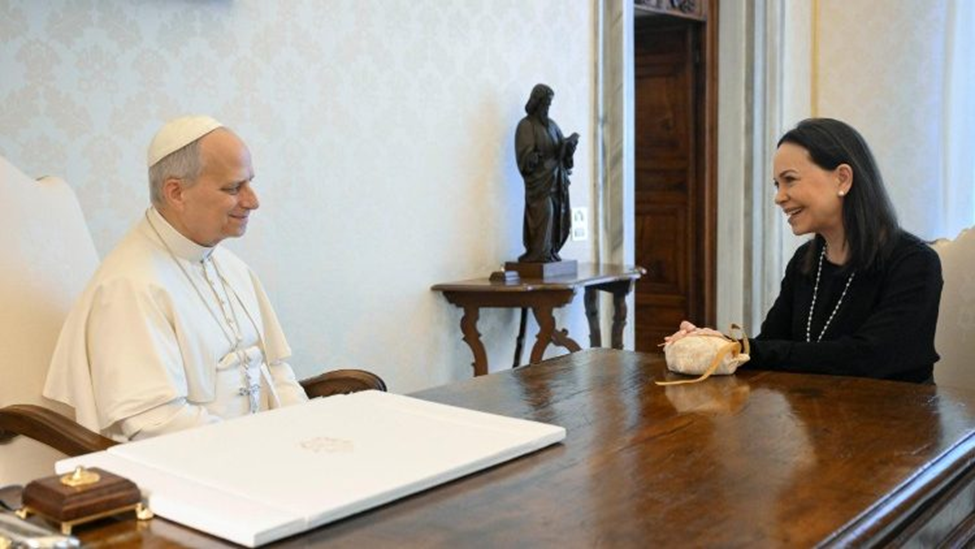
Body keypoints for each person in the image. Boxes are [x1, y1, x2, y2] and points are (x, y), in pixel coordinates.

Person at [44, 116, 308, 441]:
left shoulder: (233, 268)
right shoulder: (130, 286)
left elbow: (276, 372)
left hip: (259, 450)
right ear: (176, 192)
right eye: (233, 188)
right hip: (192, 460)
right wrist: (254, 447)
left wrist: (303, 431)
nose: (253, 201)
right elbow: (155, 422)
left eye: (249, 183)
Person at [669, 118, 942, 383]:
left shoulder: (915, 263)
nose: (779, 197)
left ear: (842, 179)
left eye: (790, 180)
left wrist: (740, 348)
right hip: (813, 411)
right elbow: (770, 346)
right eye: (777, 184)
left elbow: (868, 358)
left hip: (894, 412)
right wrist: (713, 346)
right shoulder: (805, 261)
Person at [514, 84, 579, 263]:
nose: (547, 108)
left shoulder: (553, 126)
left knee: (559, 217)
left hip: (557, 182)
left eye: (549, 104)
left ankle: (550, 252)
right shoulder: (526, 125)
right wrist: (532, 158)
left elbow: (562, 152)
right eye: (545, 104)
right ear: (536, 103)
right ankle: (538, 253)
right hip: (540, 185)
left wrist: (569, 149)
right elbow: (524, 157)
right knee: (546, 213)